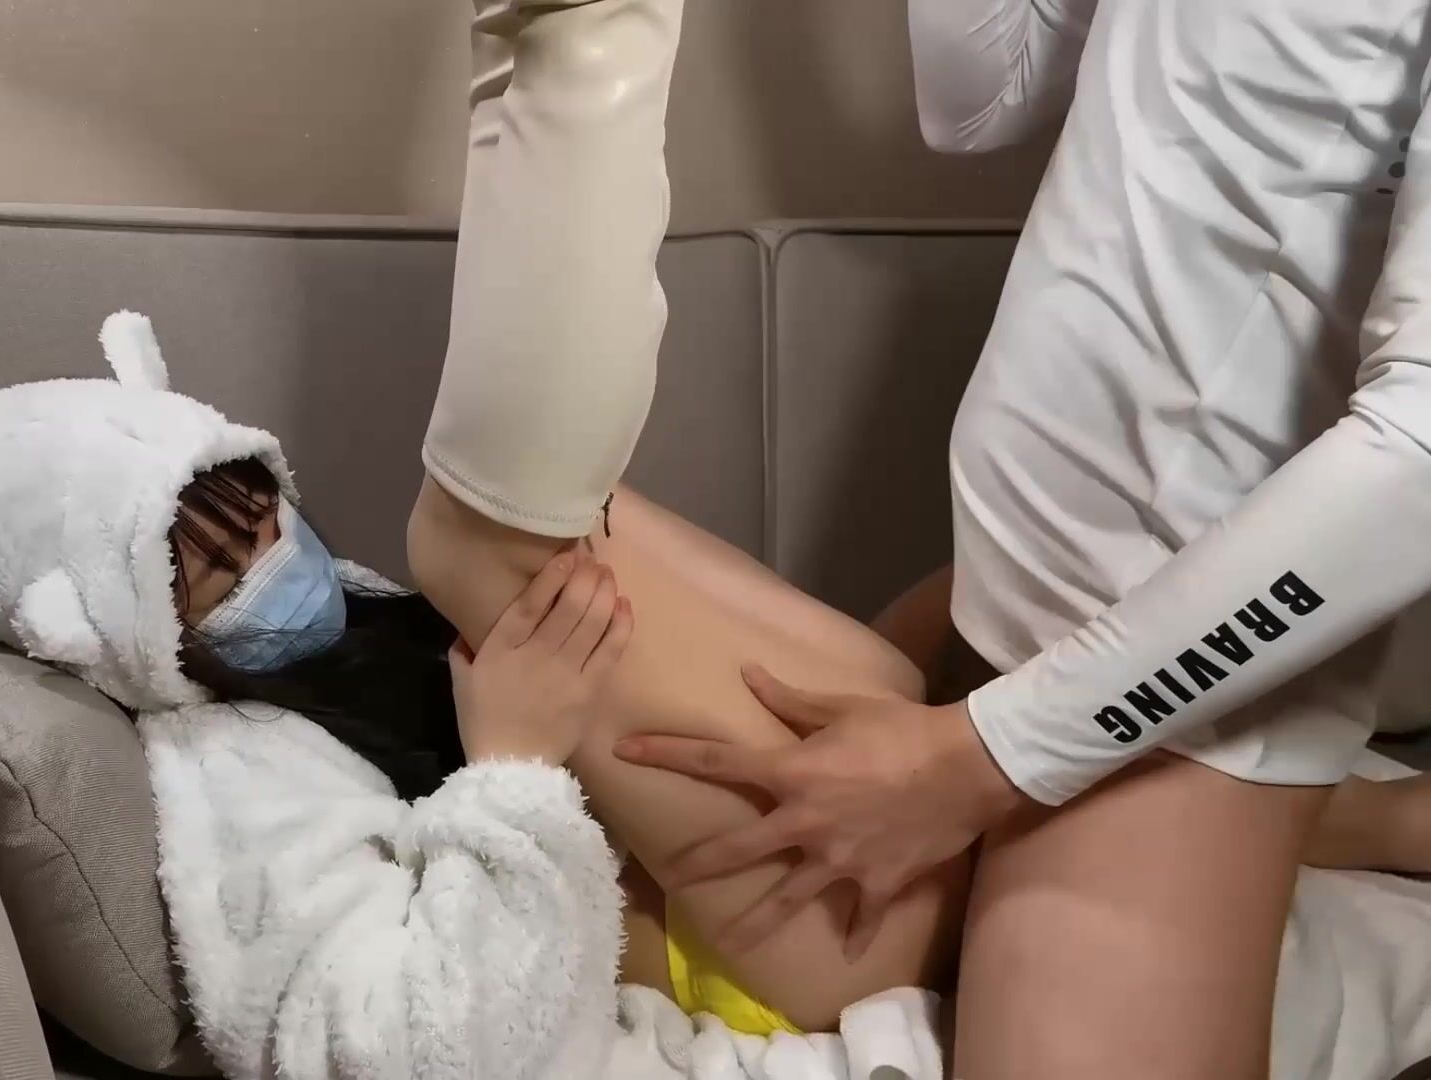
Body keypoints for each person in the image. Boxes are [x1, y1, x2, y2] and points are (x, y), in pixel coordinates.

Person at [403, 0, 1431, 1073]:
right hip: (1004, 587)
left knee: (499, 548)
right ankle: (1367, 824)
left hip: (1174, 691)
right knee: (504, 545)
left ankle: (587, 31)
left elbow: (1421, 442)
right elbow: (980, 98)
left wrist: (985, 757)